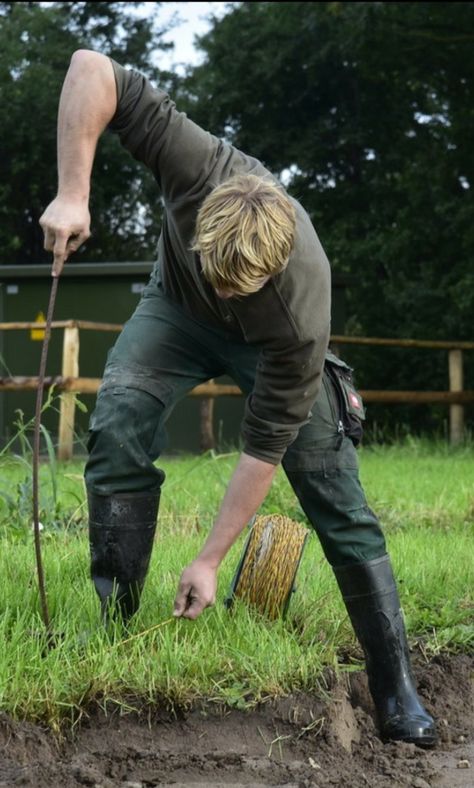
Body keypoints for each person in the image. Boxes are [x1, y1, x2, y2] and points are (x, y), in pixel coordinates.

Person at [39, 50, 436, 748]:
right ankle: (113, 624)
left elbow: (261, 450)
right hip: (176, 312)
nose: (229, 289)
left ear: (272, 268)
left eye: (239, 284)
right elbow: (89, 68)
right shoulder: (194, 162)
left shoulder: (298, 314)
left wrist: (211, 560)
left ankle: (394, 686)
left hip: (266, 345)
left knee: (334, 492)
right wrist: (74, 189)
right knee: (119, 421)